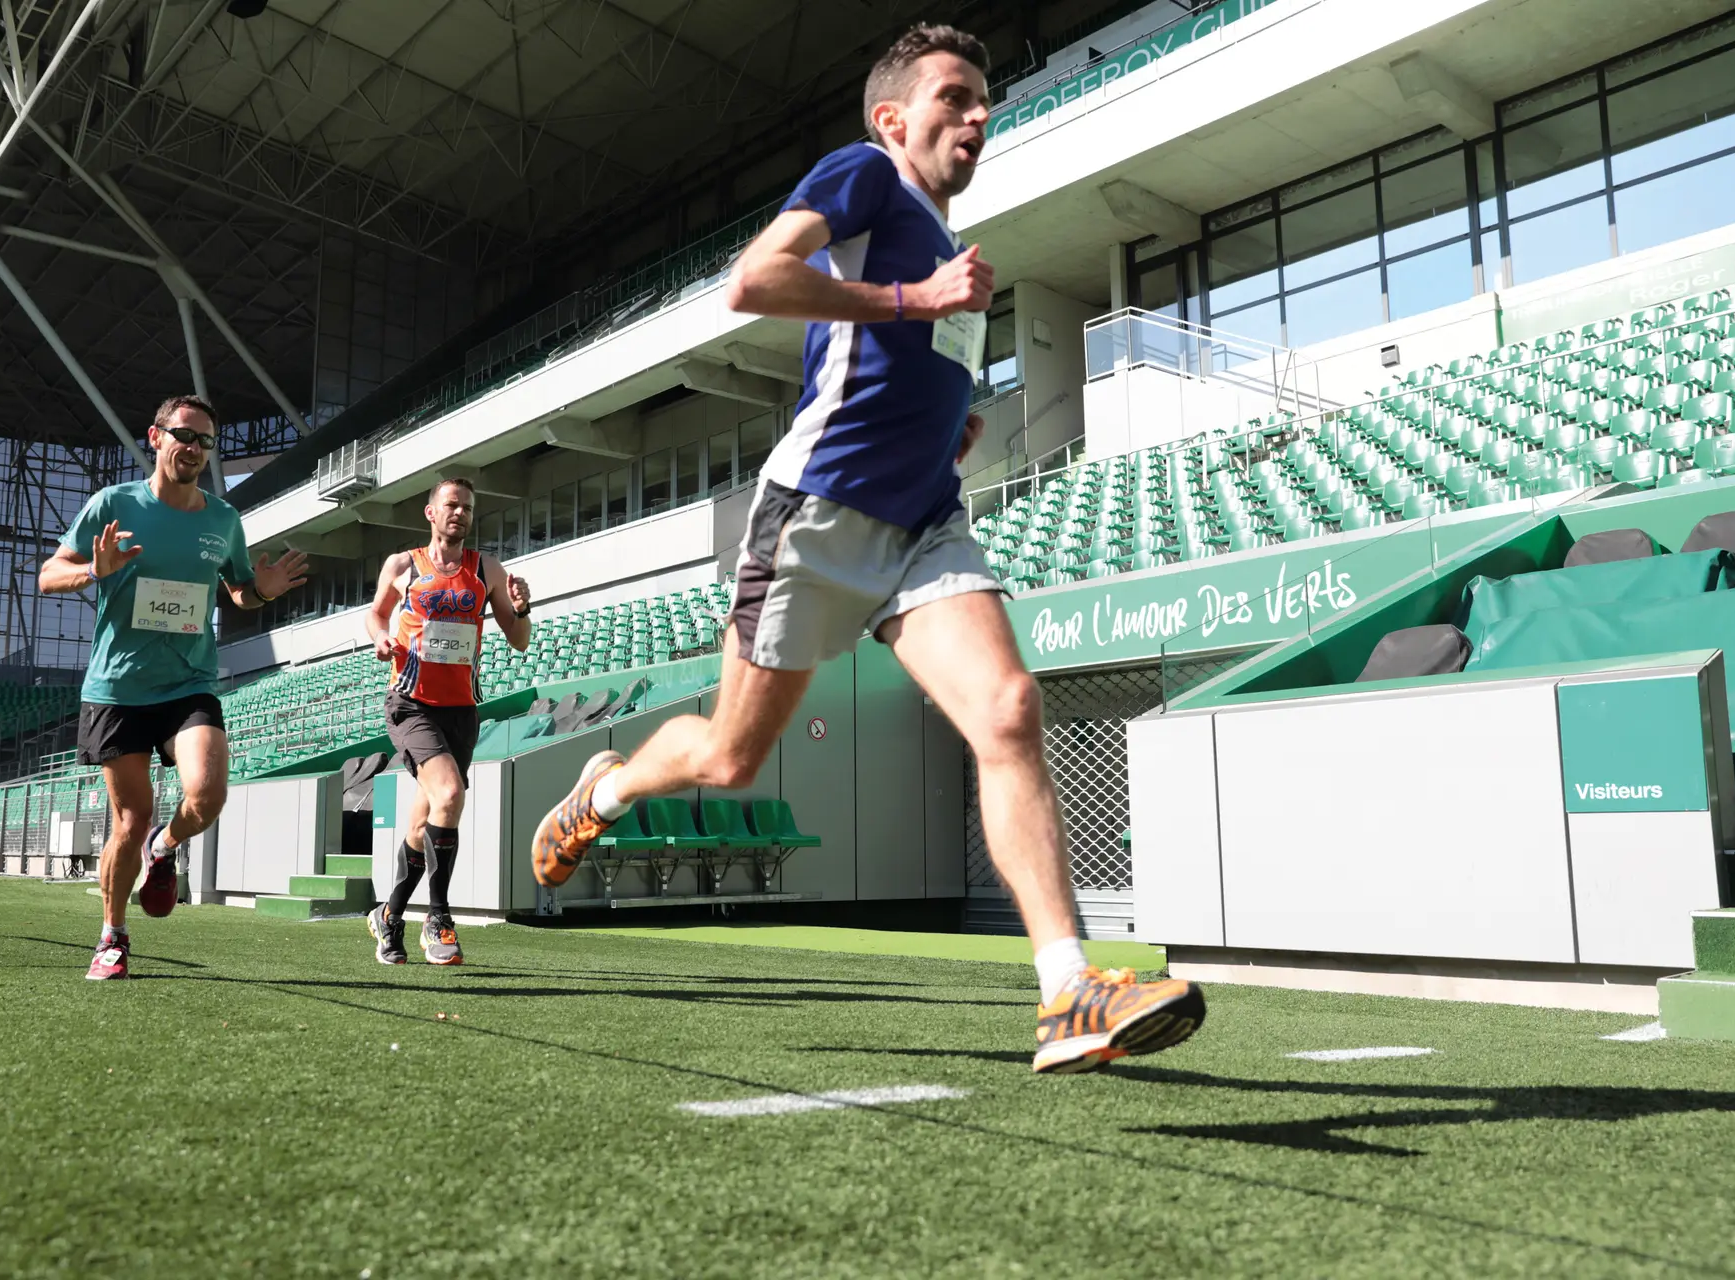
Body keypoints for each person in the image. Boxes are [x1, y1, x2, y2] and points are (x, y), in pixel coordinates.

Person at [530, 25, 1204, 1072]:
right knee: (729, 758)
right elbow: (754, 280)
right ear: (893, 118)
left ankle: (1068, 988)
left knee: (1009, 708)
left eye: (985, 98)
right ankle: (605, 791)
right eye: (955, 96)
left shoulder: (953, 251)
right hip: (816, 513)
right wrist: (912, 299)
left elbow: (907, 369)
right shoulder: (865, 176)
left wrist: (953, 422)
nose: (979, 113)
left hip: (925, 520)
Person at [41, 395, 309, 981]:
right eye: (184, 435)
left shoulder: (223, 520)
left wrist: (261, 590)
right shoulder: (113, 504)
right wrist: (93, 571)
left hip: (189, 682)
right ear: (156, 436)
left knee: (207, 795)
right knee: (129, 821)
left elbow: (239, 590)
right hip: (118, 688)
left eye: (205, 441)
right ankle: (113, 935)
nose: (194, 448)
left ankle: (164, 847)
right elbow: (47, 574)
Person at [361, 478, 532, 965]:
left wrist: (523, 609)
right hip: (411, 702)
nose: (459, 513)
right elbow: (375, 615)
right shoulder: (403, 565)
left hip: (461, 710)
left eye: (467, 508)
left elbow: (519, 638)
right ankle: (438, 919)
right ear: (431, 513)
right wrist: (379, 638)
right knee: (451, 794)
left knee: (424, 821)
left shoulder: (486, 569)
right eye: (451, 505)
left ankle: (389, 916)